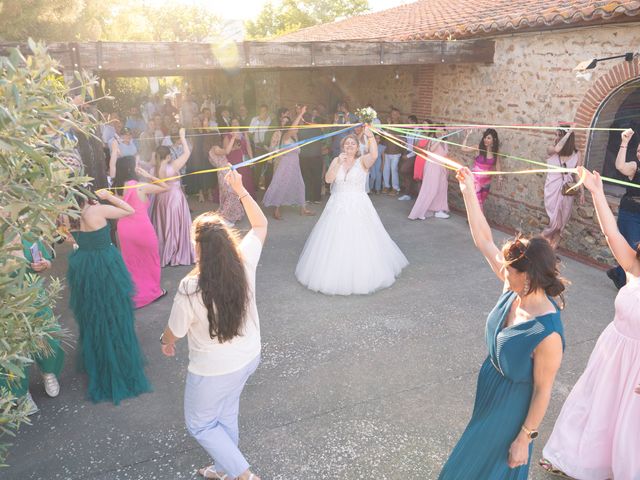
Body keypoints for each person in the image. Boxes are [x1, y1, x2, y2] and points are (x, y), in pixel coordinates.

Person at [438, 166, 565, 480]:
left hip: (512, 410)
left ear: (528, 275)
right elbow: (484, 240)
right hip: (490, 391)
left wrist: (524, 438)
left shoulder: (548, 333)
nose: (502, 271)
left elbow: (543, 390)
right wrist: (468, 191)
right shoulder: (514, 286)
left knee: (469, 470)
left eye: (509, 270)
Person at [161, 169, 267, 480]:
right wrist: (240, 189)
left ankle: (244, 475)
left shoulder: (190, 287)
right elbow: (260, 225)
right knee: (225, 413)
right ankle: (224, 469)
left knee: (201, 424)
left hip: (213, 370)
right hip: (248, 357)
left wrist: (165, 341)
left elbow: (174, 332)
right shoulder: (244, 261)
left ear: (200, 249)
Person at [540, 167, 640, 480]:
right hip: (612, 352)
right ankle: (574, 460)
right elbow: (612, 234)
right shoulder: (635, 268)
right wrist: (596, 192)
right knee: (593, 409)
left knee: (628, 425)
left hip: (637, 367)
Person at [295, 126, 408, 295]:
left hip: (358, 204)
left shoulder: (362, 161)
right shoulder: (336, 160)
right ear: (343, 147)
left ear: (357, 147)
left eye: (352, 144)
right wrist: (338, 163)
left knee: (361, 238)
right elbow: (328, 179)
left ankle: (362, 275)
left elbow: (375, 155)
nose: (349, 146)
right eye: (346, 144)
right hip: (337, 204)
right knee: (335, 239)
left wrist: (370, 137)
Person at [66, 188, 152, 404]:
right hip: (105, 264)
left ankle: (99, 359)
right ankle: (120, 362)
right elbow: (129, 210)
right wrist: (109, 196)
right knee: (115, 312)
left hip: (84, 265)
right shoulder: (97, 210)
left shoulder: (67, 215)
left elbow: (69, 238)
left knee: (92, 314)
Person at [0, 236, 65, 415]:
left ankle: (48, 372)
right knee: (14, 350)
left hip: (35, 297)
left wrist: (44, 264)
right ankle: (20, 392)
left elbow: (47, 262)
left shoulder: (28, 235)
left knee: (49, 337)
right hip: (7, 305)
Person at [114, 156, 168, 308]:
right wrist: (150, 176)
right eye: (137, 164)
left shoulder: (116, 187)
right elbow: (165, 187)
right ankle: (153, 291)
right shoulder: (140, 186)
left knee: (131, 262)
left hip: (124, 229)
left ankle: (135, 294)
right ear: (131, 168)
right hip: (141, 228)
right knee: (151, 258)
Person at [151, 128, 195, 267]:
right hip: (175, 199)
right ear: (168, 156)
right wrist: (182, 136)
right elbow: (187, 152)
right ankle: (176, 252)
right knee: (175, 225)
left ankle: (166, 252)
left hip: (161, 200)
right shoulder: (174, 165)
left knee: (164, 225)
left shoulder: (154, 169)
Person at [263, 106, 315, 219]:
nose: (297, 129)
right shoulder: (286, 137)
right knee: (281, 186)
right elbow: (293, 127)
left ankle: (303, 209)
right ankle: (276, 210)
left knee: (300, 185)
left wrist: (299, 114)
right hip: (285, 166)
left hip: (295, 166)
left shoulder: (295, 137)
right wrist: (300, 114)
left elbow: (299, 125)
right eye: (295, 128)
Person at [607, 128, 640, 289]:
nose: (639, 153)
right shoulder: (635, 166)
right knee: (631, 248)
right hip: (631, 213)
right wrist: (624, 143)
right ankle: (623, 280)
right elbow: (620, 165)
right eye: (639, 150)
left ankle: (619, 274)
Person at [542, 127, 584, 248]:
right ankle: (541, 246)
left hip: (568, 190)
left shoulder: (577, 154)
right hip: (552, 188)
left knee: (562, 224)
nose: (556, 138)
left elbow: (577, 174)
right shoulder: (551, 149)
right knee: (553, 223)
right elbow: (557, 148)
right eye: (556, 135)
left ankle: (551, 251)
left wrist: (581, 191)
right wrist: (568, 133)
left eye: (559, 135)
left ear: (567, 139)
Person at [408, 126, 450, 220]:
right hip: (432, 166)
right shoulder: (433, 140)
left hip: (441, 167)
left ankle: (439, 210)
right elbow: (431, 150)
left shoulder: (445, 142)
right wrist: (439, 138)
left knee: (442, 188)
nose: (440, 131)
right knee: (431, 189)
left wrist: (447, 169)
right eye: (438, 129)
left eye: (443, 130)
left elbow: (445, 155)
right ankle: (419, 212)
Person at [461, 128, 502, 211]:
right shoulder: (478, 148)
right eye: (485, 137)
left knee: (481, 202)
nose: (485, 139)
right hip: (475, 181)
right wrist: (467, 136)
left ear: (494, 140)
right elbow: (463, 149)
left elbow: (497, 165)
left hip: (487, 182)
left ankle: (473, 220)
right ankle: (480, 222)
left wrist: (499, 177)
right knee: (478, 202)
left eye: (488, 138)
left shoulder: (495, 152)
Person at [209, 135, 245, 226]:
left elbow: (224, 153)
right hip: (224, 172)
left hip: (222, 171)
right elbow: (226, 151)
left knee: (227, 193)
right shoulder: (215, 148)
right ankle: (226, 216)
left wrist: (234, 148)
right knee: (231, 193)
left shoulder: (212, 150)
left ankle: (233, 215)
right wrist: (233, 138)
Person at [224, 118, 255, 197]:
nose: (235, 124)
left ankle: (245, 197)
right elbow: (225, 150)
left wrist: (251, 159)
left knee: (245, 178)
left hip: (244, 160)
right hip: (233, 160)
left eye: (236, 122)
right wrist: (234, 148)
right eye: (233, 123)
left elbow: (248, 146)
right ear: (230, 125)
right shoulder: (227, 135)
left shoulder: (244, 134)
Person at [298, 109, 325, 203]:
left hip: (304, 157)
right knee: (317, 177)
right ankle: (316, 198)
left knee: (306, 177)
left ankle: (307, 197)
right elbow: (322, 138)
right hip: (316, 156)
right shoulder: (317, 130)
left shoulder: (300, 131)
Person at [382, 107, 404, 195]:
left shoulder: (401, 125)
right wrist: (388, 125)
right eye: (392, 114)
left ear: (399, 115)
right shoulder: (388, 124)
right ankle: (386, 186)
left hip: (396, 152)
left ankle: (395, 188)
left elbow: (401, 138)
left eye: (395, 114)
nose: (393, 116)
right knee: (386, 169)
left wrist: (391, 134)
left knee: (393, 169)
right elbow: (384, 135)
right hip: (387, 150)